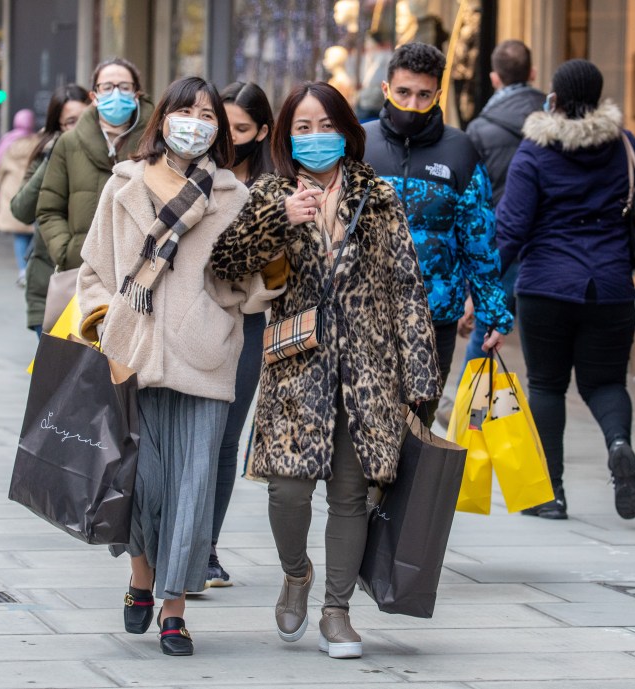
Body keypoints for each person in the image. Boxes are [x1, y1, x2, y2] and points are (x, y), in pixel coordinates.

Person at [210, 81, 441, 660]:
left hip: (369, 371)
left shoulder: (379, 197)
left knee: (350, 495)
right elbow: (225, 261)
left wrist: (419, 381)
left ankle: (337, 611)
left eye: (326, 126)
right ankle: (296, 573)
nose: (316, 138)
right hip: (297, 368)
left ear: (347, 132)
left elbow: (407, 290)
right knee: (288, 492)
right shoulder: (269, 192)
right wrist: (279, 220)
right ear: (287, 136)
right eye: (303, 128)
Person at [77, 76, 281, 656]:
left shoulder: (234, 197)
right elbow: (93, 271)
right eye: (184, 110)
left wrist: (257, 276)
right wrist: (102, 320)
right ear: (162, 118)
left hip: (205, 357)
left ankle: (174, 609)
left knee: (192, 489)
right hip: (133, 354)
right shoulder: (124, 186)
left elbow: (253, 288)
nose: (195, 121)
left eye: (206, 114)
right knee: (143, 485)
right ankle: (141, 578)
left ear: (219, 129)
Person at [491, 59, 635, 521]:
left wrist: (485, 289)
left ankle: (550, 494)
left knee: (547, 385)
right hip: (610, 288)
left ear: (555, 97)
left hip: (545, 287)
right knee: (605, 382)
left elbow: (511, 228)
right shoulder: (626, 146)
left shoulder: (535, 150)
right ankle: (619, 444)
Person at [362, 42, 512, 426]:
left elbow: (478, 238)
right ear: (385, 89)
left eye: (423, 95)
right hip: (363, 315)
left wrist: (493, 313)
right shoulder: (359, 144)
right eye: (403, 92)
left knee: (417, 434)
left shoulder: (460, 150)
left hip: (435, 320)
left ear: (438, 94)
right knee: (366, 428)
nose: (412, 103)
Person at [205, 80, 277, 588]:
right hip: (188, 318)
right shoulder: (195, 174)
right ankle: (170, 539)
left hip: (249, 321)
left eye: (242, 129)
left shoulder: (275, 188)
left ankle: (205, 547)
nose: (229, 138)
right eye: (222, 126)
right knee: (187, 436)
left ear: (263, 132)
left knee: (226, 437)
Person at [457, 40, 546, 364]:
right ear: (532, 73)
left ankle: (472, 411)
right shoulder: (551, 121)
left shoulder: (480, 128)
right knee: (544, 347)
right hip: (545, 241)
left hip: (500, 241)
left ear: (495, 78)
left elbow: (472, 195)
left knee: (485, 329)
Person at [37, 58, 153, 273]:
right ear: (94, 96)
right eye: (107, 87)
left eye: (125, 87)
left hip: (141, 274)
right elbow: (49, 208)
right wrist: (66, 253)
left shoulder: (156, 141)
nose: (116, 94)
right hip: (81, 270)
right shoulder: (70, 142)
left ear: (137, 94)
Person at [10, 84, 91, 335]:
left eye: (85, 119)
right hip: (51, 283)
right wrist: (54, 158)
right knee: (57, 372)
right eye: (70, 122)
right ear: (58, 127)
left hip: (99, 290)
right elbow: (22, 210)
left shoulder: (113, 156)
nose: (78, 129)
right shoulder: (47, 153)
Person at [0, 109, 37, 286]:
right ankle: (30, 267)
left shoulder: (8, 142)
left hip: (11, 190)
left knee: (19, 234)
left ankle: (22, 269)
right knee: (32, 233)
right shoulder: (37, 142)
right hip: (31, 190)